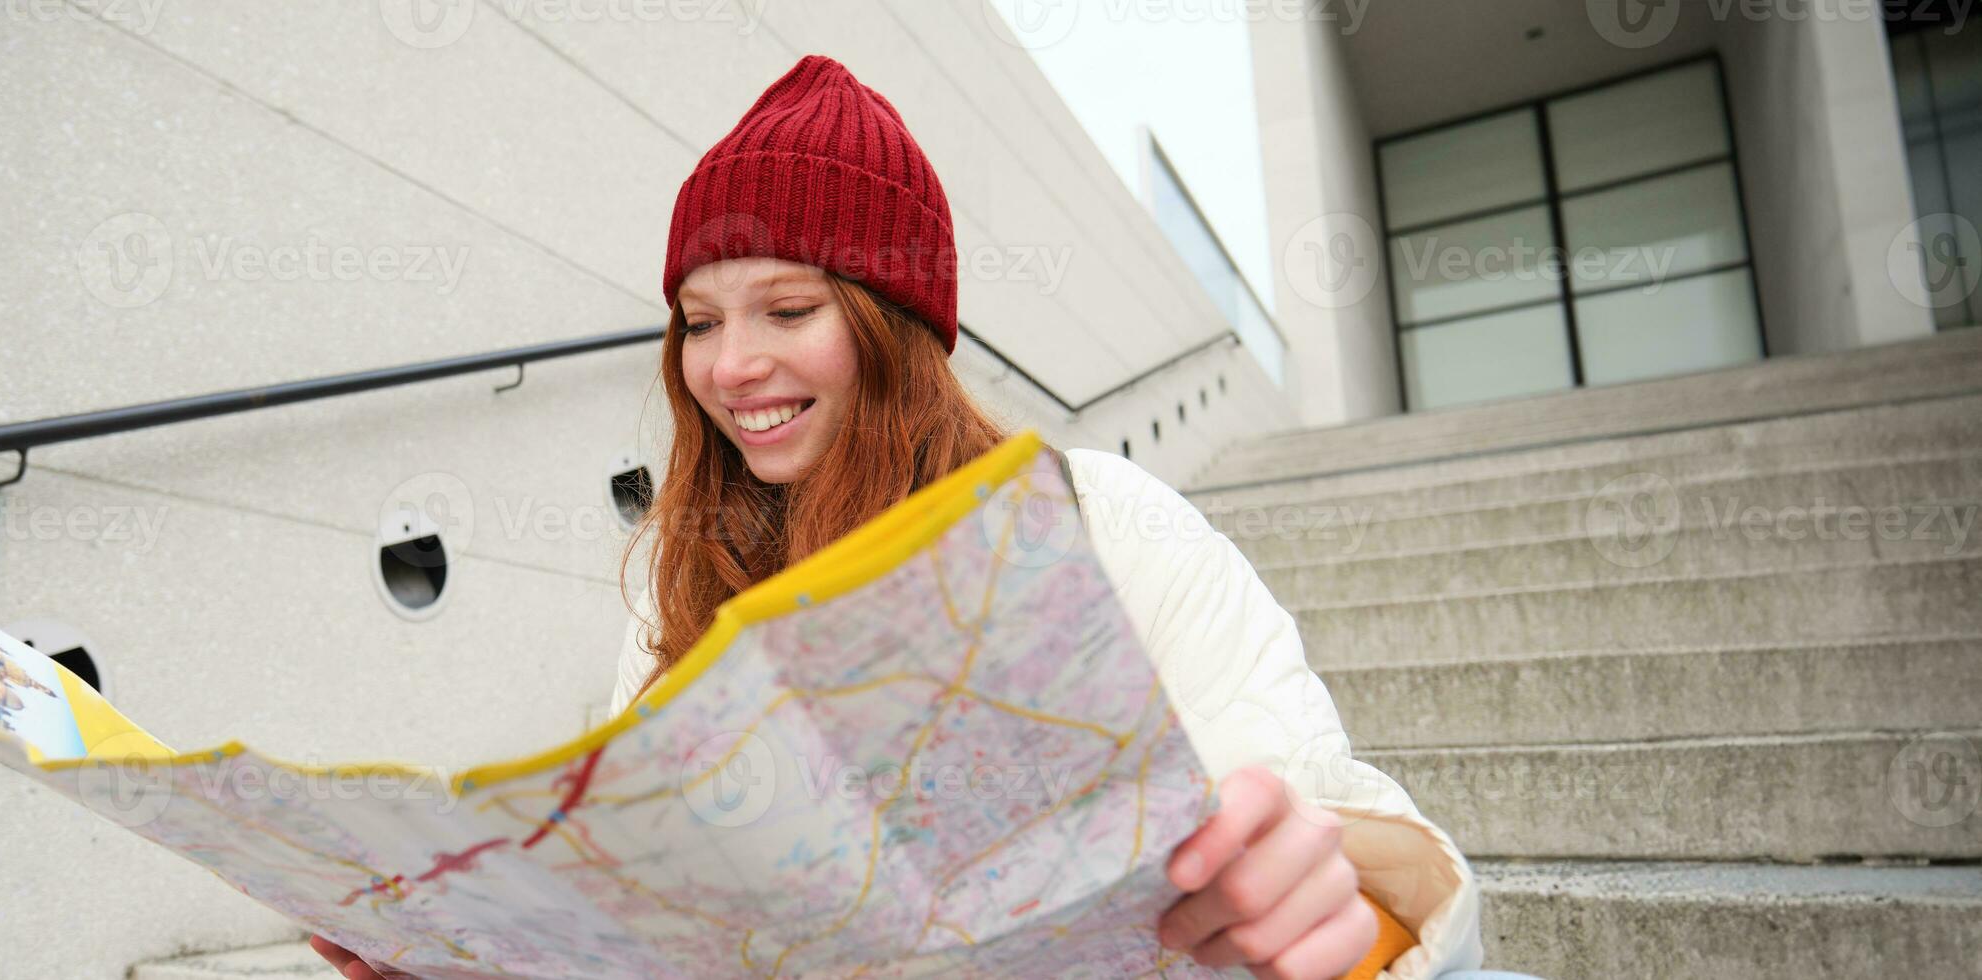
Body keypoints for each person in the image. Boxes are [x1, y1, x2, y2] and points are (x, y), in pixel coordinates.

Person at [317, 54, 1494, 980]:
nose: (729, 366)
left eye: (786, 306)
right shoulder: (673, 600)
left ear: (896, 330)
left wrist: (1339, 905)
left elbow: (1321, 821)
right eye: (696, 319)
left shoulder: (1104, 522)